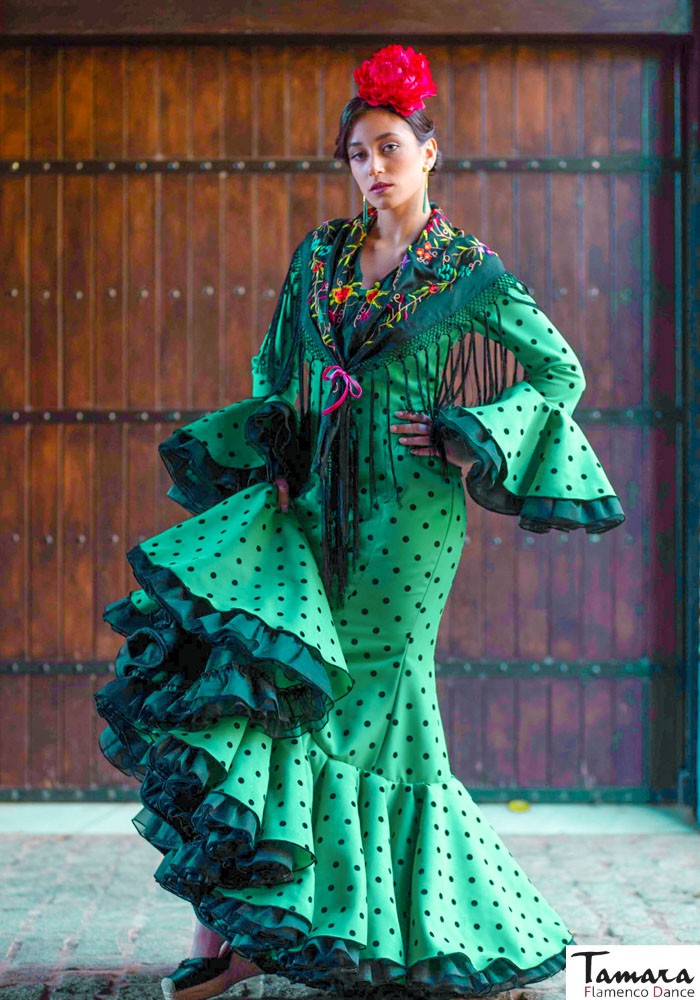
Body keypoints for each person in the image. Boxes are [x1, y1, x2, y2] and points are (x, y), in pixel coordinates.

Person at [93, 43, 625, 1000]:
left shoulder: (468, 270)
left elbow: (561, 374)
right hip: (311, 500)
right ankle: (242, 922)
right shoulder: (322, 256)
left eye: (388, 148)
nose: (372, 169)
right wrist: (280, 452)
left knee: (378, 709)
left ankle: (402, 930)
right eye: (356, 155)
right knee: (268, 688)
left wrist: (471, 438)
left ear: (429, 151)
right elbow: (273, 366)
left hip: (411, 521)